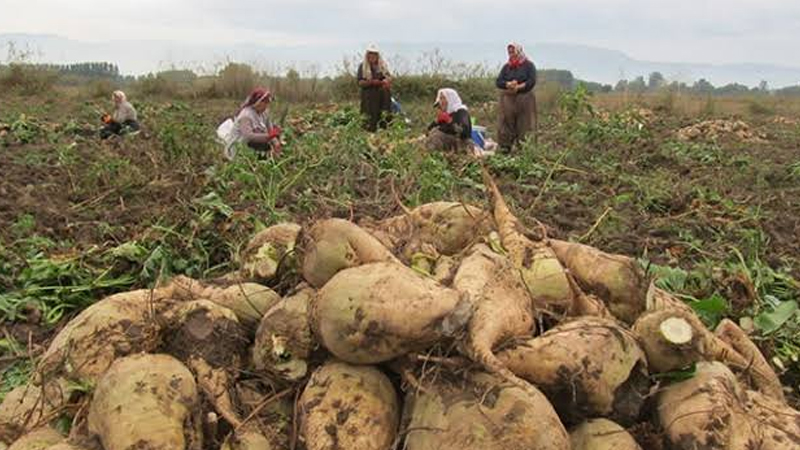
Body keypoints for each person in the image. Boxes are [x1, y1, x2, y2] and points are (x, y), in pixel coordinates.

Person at [495, 42, 538, 150]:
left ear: (519, 51)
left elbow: (531, 81)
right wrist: (508, 84)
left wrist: (518, 87)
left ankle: (524, 151)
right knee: (505, 126)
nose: (511, 54)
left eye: (513, 51)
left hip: (524, 100)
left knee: (524, 126)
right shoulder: (507, 67)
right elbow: (499, 82)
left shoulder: (529, 65)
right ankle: (505, 150)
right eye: (509, 52)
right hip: (508, 100)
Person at [232, 87, 282, 158]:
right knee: (263, 146)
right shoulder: (246, 116)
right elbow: (248, 136)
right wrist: (269, 136)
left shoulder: (264, 113)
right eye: (265, 103)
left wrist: (276, 142)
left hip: (254, 144)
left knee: (269, 144)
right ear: (258, 102)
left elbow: (270, 130)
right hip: (241, 147)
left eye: (268, 103)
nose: (267, 106)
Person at [357, 44, 392, 132]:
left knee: (384, 116)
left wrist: (386, 81)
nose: (372, 56)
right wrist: (372, 82)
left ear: (377, 55)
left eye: (374, 54)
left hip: (383, 97)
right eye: (370, 54)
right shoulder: (363, 66)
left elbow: (388, 77)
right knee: (369, 118)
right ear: (367, 55)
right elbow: (360, 82)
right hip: (369, 98)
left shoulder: (382, 66)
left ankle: (384, 132)